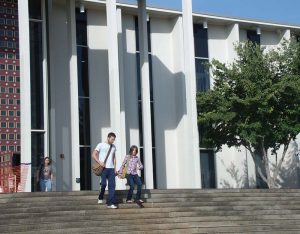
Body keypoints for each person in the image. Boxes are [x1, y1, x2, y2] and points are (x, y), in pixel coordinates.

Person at [92, 132, 117, 209]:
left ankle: (110, 203)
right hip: (103, 168)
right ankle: (100, 196)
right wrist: (100, 162)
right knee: (103, 184)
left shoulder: (113, 147)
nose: (113, 141)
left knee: (112, 186)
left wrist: (115, 169)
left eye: (114, 139)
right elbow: (93, 154)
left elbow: (114, 158)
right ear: (108, 138)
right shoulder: (101, 145)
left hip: (111, 169)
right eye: (112, 139)